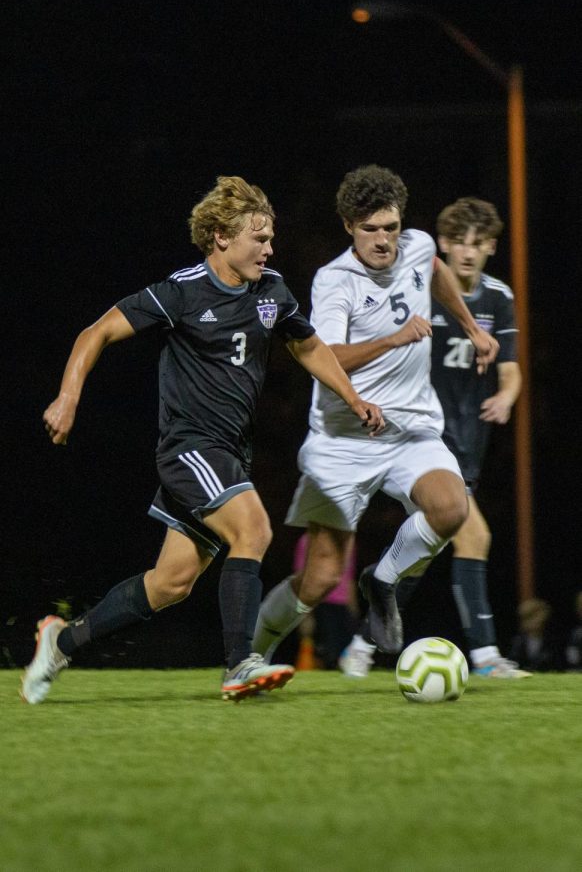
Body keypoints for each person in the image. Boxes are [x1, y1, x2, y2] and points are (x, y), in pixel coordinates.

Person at [21, 174, 384, 705]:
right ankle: (239, 663)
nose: (269, 248)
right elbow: (95, 332)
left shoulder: (271, 291)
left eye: (270, 238)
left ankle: (62, 642)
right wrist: (68, 396)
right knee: (254, 529)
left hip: (229, 454)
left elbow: (307, 347)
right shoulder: (182, 291)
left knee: (170, 584)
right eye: (258, 238)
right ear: (221, 237)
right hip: (189, 448)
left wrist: (353, 400)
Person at [252, 165, 498, 666]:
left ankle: (382, 580)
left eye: (390, 227)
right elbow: (324, 355)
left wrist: (471, 327)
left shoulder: (420, 246)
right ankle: (247, 654)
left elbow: (435, 271)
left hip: (410, 430)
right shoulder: (335, 281)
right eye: (370, 229)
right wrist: (393, 338)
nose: (383, 240)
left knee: (451, 508)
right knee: (320, 577)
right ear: (348, 226)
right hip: (345, 439)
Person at [341, 196, 531, 679]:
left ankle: (363, 644)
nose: (467, 253)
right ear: (442, 244)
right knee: (475, 534)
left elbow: (510, 370)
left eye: (478, 244)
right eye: (458, 243)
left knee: (422, 557)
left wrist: (507, 397)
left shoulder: (498, 298)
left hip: (470, 441)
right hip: (423, 439)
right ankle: (486, 658)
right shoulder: (420, 290)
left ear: (491, 247)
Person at [292, 532, 359, 670]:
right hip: (320, 603)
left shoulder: (347, 540)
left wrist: (353, 609)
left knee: (346, 654)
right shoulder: (308, 540)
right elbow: (301, 576)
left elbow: (349, 577)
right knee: (328, 654)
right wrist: (305, 614)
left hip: (343, 606)